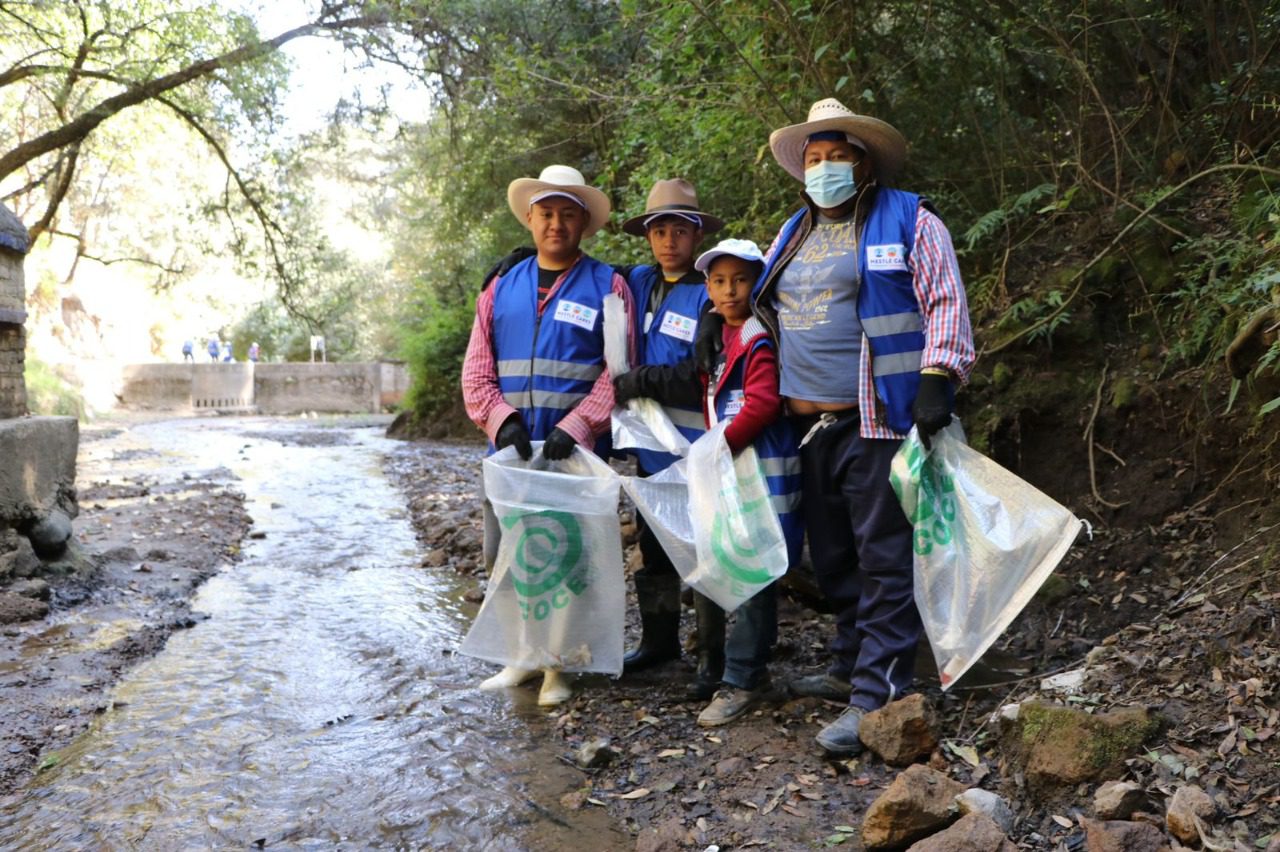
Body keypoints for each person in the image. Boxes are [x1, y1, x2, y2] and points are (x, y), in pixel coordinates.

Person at [735, 97, 974, 755]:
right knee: (835, 557)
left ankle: (878, 695)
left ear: (863, 163)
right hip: (807, 425)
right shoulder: (793, 232)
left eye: (837, 155)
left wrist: (938, 378)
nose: (825, 167)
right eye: (814, 158)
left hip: (880, 419)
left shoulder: (910, 220)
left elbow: (945, 300)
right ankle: (848, 663)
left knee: (883, 557)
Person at [461, 163, 636, 706]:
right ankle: (522, 656)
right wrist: (497, 418)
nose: (555, 224)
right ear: (530, 221)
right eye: (546, 214)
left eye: (567, 215)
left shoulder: (609, 285)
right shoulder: (499, 287)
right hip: (510, 452)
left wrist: (580, 424)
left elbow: (618, 370)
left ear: (584, 223)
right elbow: (476, 368)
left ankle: (559, 665)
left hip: (572, 453)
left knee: (569, 560)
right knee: (505, 554)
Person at [615, 238, 802, 726]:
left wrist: (716, 447)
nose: (729, 290)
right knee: (728, 557)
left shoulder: (759, 337)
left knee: (754, 566)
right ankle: (721, 664)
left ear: (757, 282)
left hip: (758, 469)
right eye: (718, 282)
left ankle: (742, 675)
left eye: (740, 280)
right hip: (732, 466)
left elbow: (762, 403)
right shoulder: (720, 334)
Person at [610, 179, 725, 696]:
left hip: (698, 447)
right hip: (650, 450)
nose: (670, 240)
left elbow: (704, 371)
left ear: (696, 235)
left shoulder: (713, 291)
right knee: (655, 547)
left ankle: (712, 658)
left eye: (680, 230)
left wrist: (644, 381)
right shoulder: (635, 283)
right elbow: (587, 280)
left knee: (703, 550)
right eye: (660, 230)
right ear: (648, 237)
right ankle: (659, 643)